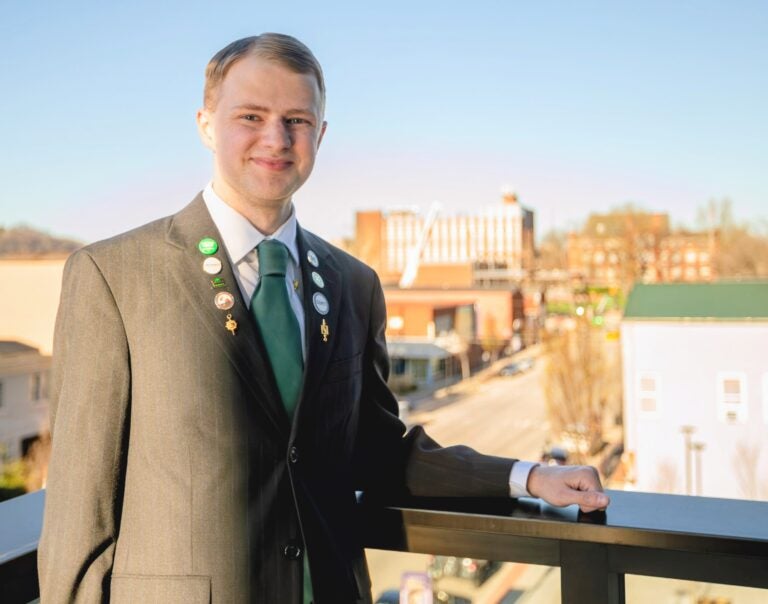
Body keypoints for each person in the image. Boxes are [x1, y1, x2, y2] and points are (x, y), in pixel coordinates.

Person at [38, 33, 609, 604]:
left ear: (321, 134)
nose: (276, 139)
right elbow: (80, 514)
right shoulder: (113, 277)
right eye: (251, 116)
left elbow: (378, 453)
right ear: (206, 124)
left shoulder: (352, 285)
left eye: (297, 120)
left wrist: (528, 477)